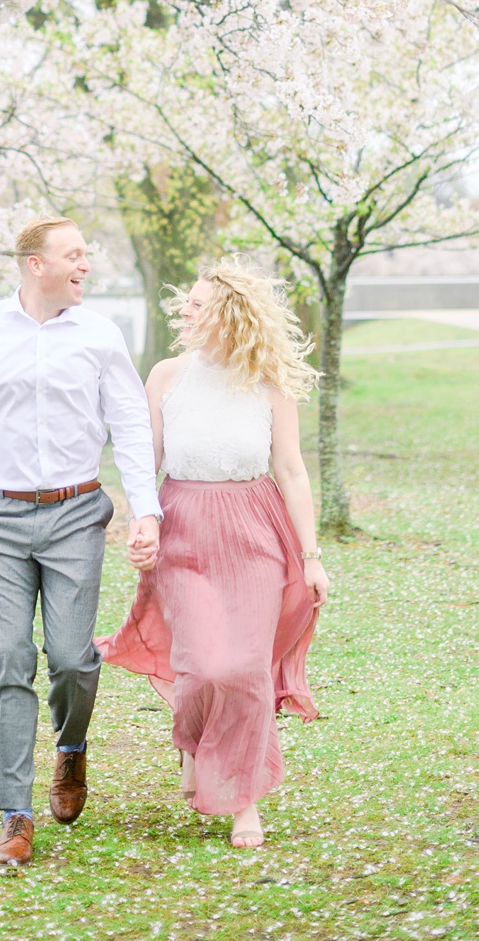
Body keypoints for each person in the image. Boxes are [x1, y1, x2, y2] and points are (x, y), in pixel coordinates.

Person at [0, 217, 161, 865]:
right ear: (36, 264)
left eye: (87, 254)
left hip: (74, 514)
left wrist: (147, 512)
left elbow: (130, 423)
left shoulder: (100, 334)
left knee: (72, 658)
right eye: (74, 255)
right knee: (9, 657)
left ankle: (72, 749)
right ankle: (14, 815)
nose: (87, 265)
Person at [101, 264, 327, 847]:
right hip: (184, 531)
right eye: (187, 303)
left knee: (244, 667)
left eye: (197, 305)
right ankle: (196, 747)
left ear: (229, 314)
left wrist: (312, 555)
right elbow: (143, 463)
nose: (185, 312)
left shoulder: (267, 383)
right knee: (200, 666)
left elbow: (293, 470)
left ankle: (244, 798)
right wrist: (141, 521)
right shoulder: (166, 376)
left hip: (254, 531)